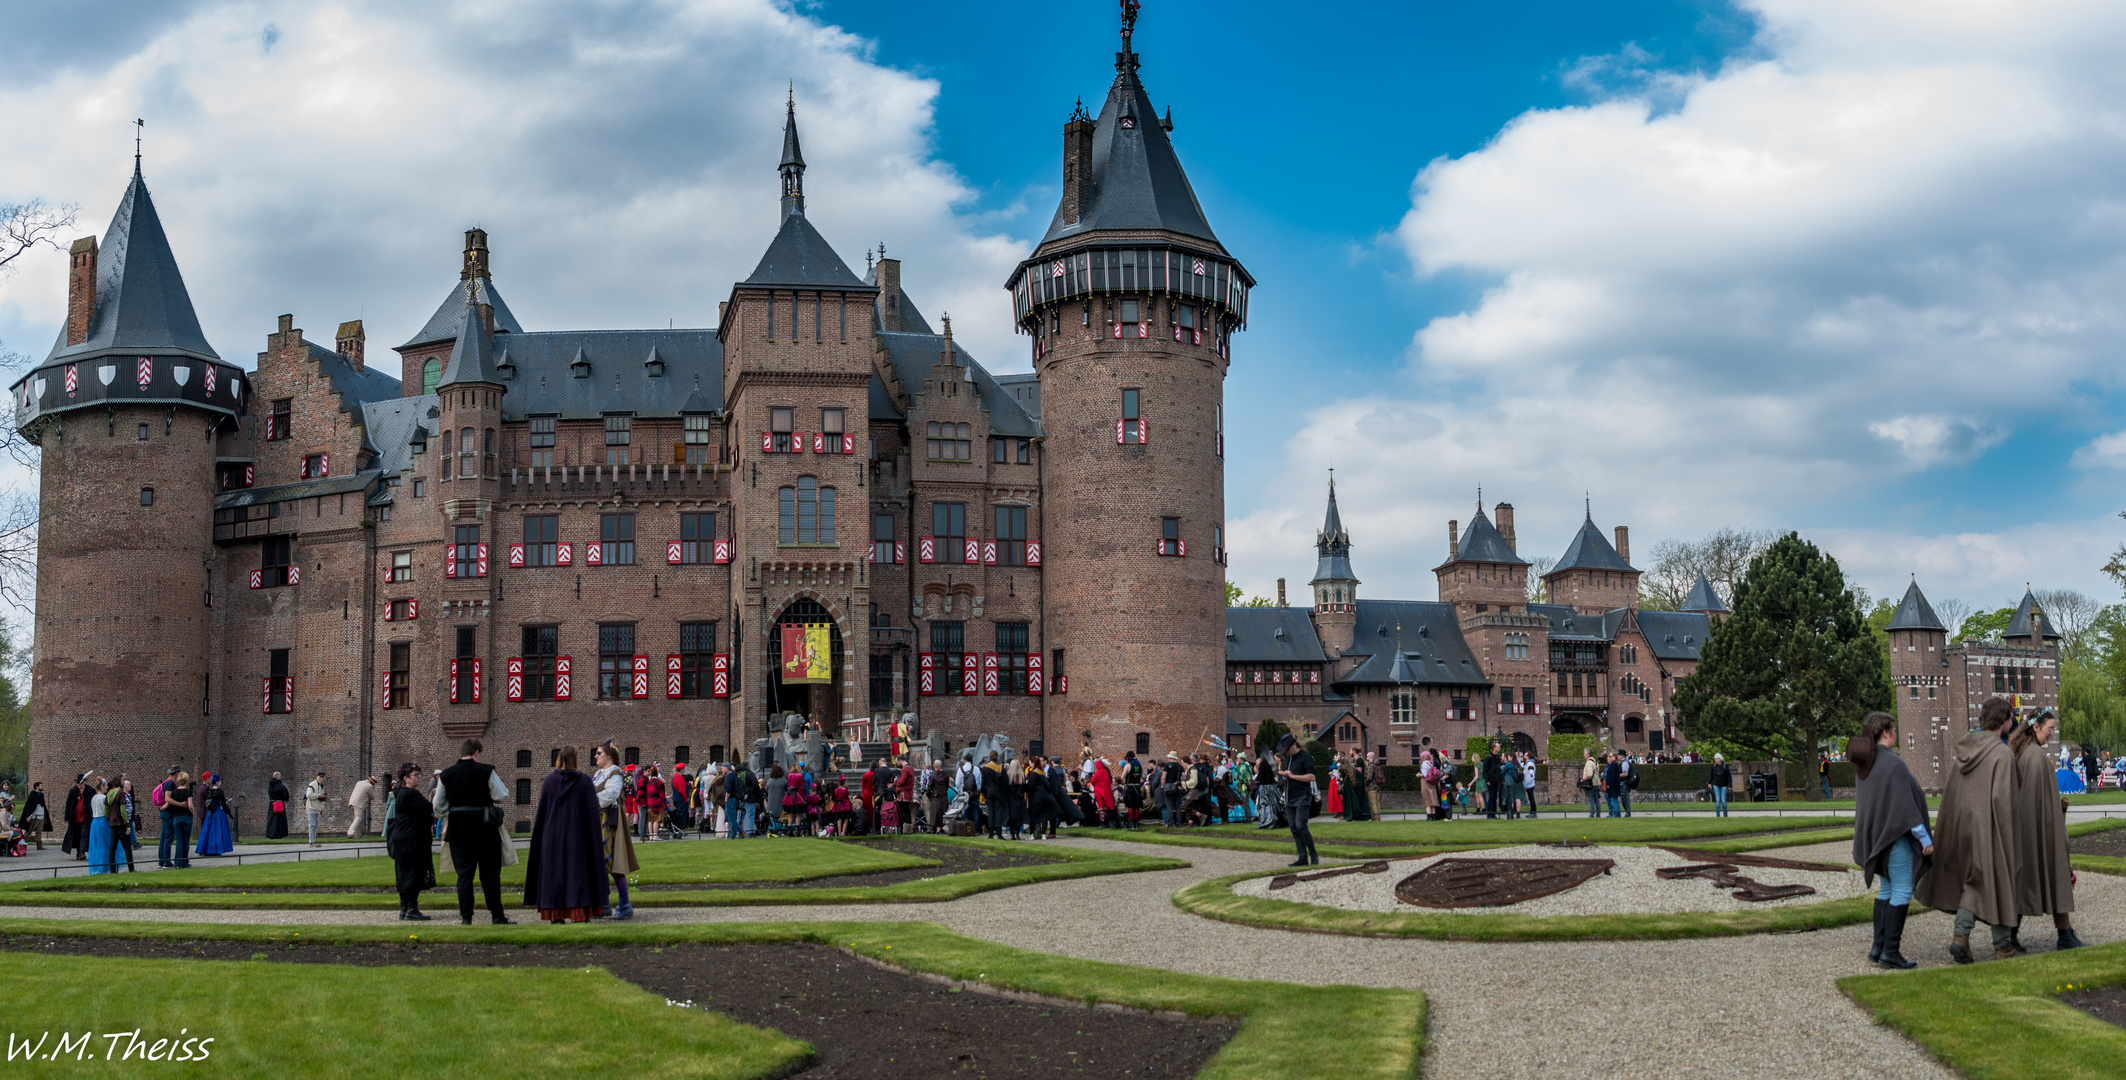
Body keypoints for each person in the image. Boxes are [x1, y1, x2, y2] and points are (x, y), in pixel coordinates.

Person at [1915, 697, 2021, 962]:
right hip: (1991, 830)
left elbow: (1952, 797)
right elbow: (2006, 802)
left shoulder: (1962, 753)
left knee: (1974, 882)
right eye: (2010, 718)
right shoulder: (2002, 755)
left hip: (1961, 831)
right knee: (1996, 879)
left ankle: (1961, 937)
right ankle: (2001, 945)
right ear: (2004, 720)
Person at [1850, 712, 1933, 969]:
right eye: (1894, 730)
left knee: (1886, 889)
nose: (1895, 734)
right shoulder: (1893, 764)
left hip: (1877, 838)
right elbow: (1905, 808)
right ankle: (1890, 952)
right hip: (1896, 837)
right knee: (1901, 890)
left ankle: (1878, 949)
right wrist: (1924, 838)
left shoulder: (1865, 765)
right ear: (1886, 732)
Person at [2010, 709, 2086, 950]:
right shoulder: (2035, 757)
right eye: (2049, 729)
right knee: (2051, 875)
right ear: (2035, 727)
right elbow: (2038, 801)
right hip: (2038, 831)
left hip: (2028, 831)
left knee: (2030, 880)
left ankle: (2059, 932)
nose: (2052, 734)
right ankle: (2060, 934)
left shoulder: (2022, 752)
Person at [525, 747, 608, 924]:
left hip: (552, 835)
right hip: (577, 836)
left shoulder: (549, 781)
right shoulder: (584, 781)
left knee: (554, 873)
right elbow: (592, 813)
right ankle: (580, 914)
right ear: (575, 760)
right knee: (577, 873)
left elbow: (543, 813)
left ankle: (556, 915)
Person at [436, 739, 513, 926]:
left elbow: (438, 805)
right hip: (484, 829)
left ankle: (466, 917)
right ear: (477, 753)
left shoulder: (446, 774)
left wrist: (454, 808)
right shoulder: (486, 770)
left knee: (464, 875)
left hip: (458, 830)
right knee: (490, 875)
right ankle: (496, 915)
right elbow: (500, 795)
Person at [591, 743, 641, 918]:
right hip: (597, 818)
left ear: (609, 755)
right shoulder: (598, 774)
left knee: (612, 860)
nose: (596, 756)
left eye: (599, 753)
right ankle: (604, 903)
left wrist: (590, 799)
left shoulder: (616, 773)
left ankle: (625, 903)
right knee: (599, 861)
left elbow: (611, 794)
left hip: (610, 820)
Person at [387, 763, 437, 921]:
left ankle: (404, 907)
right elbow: (429, 807)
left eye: (419, 774)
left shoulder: (400, 792)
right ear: (406, 778)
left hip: (402, 837)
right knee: (414, 873)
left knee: (405, 872)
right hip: (412, 839)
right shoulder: (410, 794)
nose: (419, 778)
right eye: (415, 775)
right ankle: (412, 908)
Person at [1276, 733, 1318, 867]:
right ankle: (1302, 857)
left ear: (1294, 745)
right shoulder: (1287, 759)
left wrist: (1293, 776)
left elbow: (1311, 777)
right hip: (1290, 797)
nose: (1286, 752)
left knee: (1301, 826)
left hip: (1302, 796)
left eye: (1287, 749)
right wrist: (1282, 776)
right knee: (1294, 827)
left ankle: (1313, 855)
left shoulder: (1306, 758)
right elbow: (1287, 776)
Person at [194, 773, 233, 857]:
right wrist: (228, 812)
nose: (221, 783)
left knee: (209, 831)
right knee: (218, 832)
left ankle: (207, 848)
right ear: (217, 782)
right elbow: (223, 803)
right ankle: (217, 849)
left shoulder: (210, 791)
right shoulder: (219, 791)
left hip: (211, 813)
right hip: (218, 813)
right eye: (220, 781)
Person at [163, 771, 196, 868]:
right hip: (187, 817)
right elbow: (190, 805)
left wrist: (161, 808)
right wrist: (193, 812)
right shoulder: (188, 791)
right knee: (186, 841)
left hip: (176, 818)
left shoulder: (174, 792)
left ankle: (177, 863)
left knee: (179, 841)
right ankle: (185, 862)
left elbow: (168, 803)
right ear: (186, 780)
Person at [84, 778, 117, 874]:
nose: (107, 787)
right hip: (103, 821)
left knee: (97, 845)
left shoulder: (93, 798)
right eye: (106, 785)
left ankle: (97, 866)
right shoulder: (103, 798)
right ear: (102, 786)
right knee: (105, 844)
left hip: (95, 822)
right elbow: (106, 811)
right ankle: (104, 866)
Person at [20, 782, 48, 851]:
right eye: (40, 785)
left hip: (41, 815)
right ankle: (21, 842)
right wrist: (29, 815)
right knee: (29, 830)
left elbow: (43, 805)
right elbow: (30, 805)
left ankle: (39, 845)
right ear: (37, 787)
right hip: (34, 816)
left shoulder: (41, 795)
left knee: (39, 831)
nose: (42, 787)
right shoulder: (32, 794)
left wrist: (44, 816)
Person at [303, 772, 328, 847]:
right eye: (320, 777)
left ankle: (313, 841)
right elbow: (308, 795)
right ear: (317, 777)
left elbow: (322, 798)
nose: (321, 778)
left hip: (317, 808)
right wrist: (318, 795)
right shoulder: (312, 784)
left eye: (323, 777)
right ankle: (311, 842)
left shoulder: (322, 786)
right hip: (311, 807)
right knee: (312, 825)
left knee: (316, 825)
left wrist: (321, 808)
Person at [263, 772, 289, 840]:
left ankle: (270, 834)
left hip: (272, 804)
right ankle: (279, 835)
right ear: (278, 777)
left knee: (272, 819)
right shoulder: (280, 786)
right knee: (279, 820)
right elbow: (285, 796)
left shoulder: (270, 785)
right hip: (279, 803)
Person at [1602, 751, 1624, 818]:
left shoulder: (1613, 765)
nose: (1608, 757)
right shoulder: (1614, 765)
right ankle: (1616, 815)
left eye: (1610, 756)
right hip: (1614, 786)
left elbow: (1611, 776)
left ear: (1614, 757)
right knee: (1614, 800)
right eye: (1608, 756)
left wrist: (1608, 784)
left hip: (1613, 786)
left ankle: (1616, 815)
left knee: (1614, 801)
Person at [1580, 749, 1602, 817]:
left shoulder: (1589, 763)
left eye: (1584, 753)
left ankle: (1592, 814)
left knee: (1590, 799)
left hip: (1591, 784)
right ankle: (1598, 814)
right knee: (1596, 800)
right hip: (1596, 783)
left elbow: (1589, 774)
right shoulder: (1595, 762)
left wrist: (1582, 779)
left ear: (1587, 754)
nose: (1584, 755)